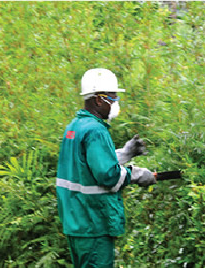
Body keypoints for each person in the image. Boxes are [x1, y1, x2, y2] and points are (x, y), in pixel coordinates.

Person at [56, 68, 157, 268]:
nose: (116, 102)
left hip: (77, 222)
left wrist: (124, 154)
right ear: (99, 100)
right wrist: (136, 174)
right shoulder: (95, 130)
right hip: (93, 222)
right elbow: (107, 175)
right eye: (113, 97)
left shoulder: (75, 127)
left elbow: (85, 165)